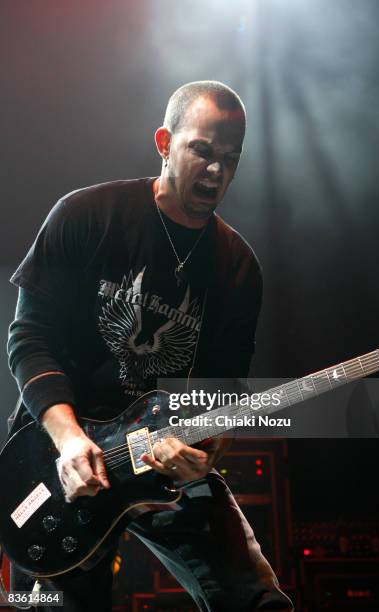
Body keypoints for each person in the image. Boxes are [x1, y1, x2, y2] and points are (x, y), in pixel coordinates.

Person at [7, 81, 294, 611]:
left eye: (229, 160)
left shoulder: (238, 269)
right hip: (55, 455)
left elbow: (222, 392)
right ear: (165, 142)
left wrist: (206, 454)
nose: (215, 171)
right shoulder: (86, 215)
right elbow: (29, 338)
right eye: (201, 151)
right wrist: (70, 440)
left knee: (257, 600)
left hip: (156, 450)